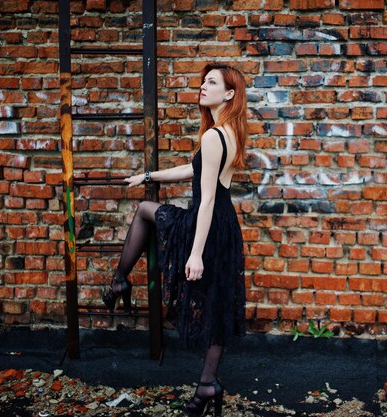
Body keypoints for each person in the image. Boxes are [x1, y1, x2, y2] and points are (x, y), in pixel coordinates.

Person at [101, 63, 248, 417]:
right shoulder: (227, 130)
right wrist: (149, 175)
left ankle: (120, 281)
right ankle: (207, 386)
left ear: (229, 93)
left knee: (144, 212)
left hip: (208, 224)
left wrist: (195, 254)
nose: (203, 86)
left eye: (211, 82)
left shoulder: (214, 136)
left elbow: (208, 198)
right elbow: (194, 169)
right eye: (203, 81)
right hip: (223, 227)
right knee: (216, 306)